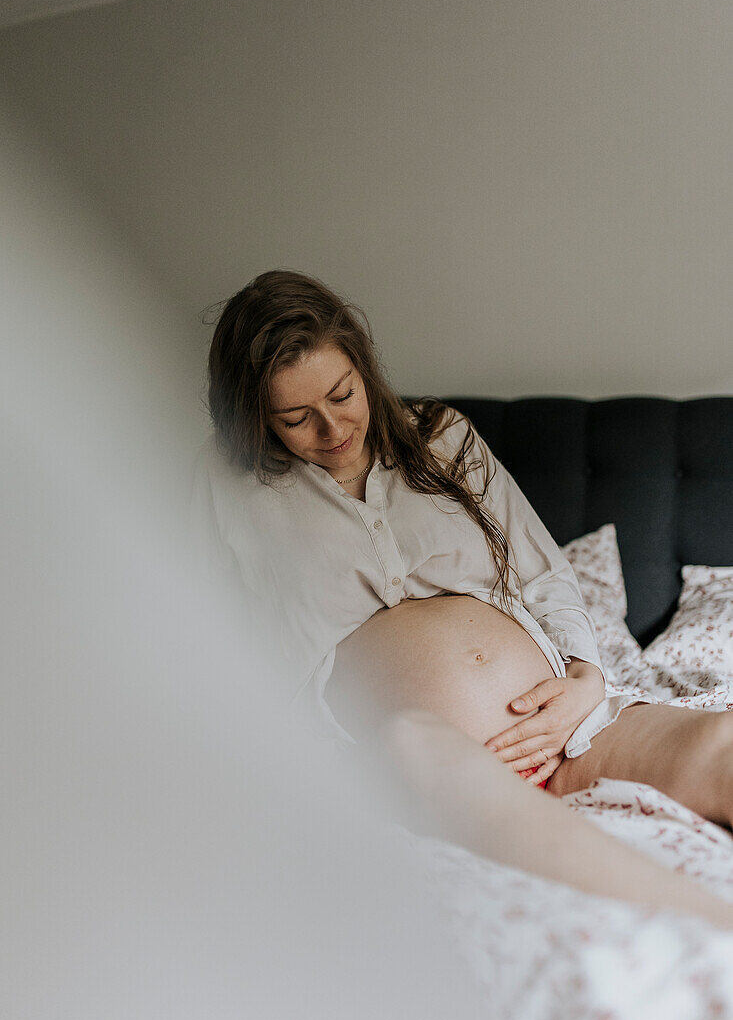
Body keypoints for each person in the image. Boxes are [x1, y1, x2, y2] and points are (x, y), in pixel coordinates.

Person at [191, 268, 733, 927]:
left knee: (719, 743)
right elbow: (206, 644)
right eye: (296, 418)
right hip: (410, 756)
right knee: (418, 745)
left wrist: (586, 680)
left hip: (565, 732)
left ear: (363, 369)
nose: (332, 429)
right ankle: (707, 921)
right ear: (255, 418)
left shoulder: (441, 436)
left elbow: (543, 573)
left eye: (342, 395)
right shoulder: (230, 491)